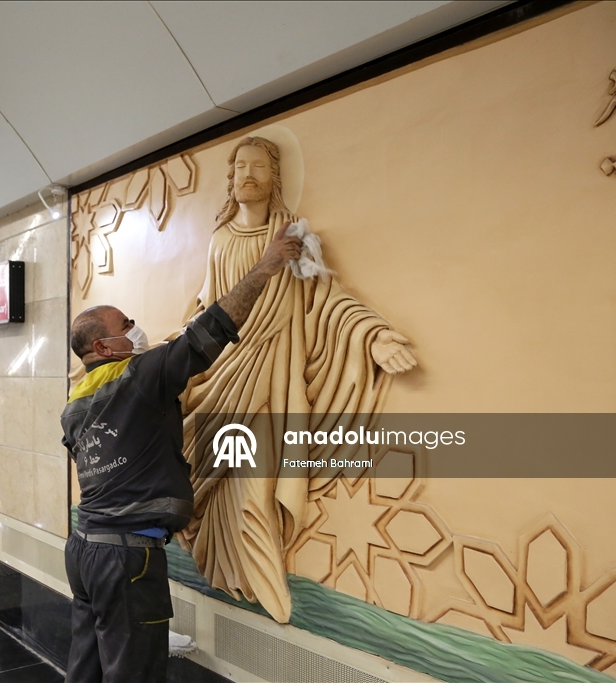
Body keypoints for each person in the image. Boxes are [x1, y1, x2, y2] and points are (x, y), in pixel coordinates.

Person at [177, 135, 417, 622]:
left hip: (270, 381)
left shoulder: (294, 239)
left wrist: (373, 338)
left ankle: (265, 592)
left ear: (275, 178)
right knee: (217, 482)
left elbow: (327, 299)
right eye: (239, 165)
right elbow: (206, 307)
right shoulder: (220, 240)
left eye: (258, 167)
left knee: (252, 485)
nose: (246, 173)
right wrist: (167, 352)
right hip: (222, 375)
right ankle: (227, 577)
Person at [61, 219, 303, 683]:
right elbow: (209, 330)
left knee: (87, 666)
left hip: (85, 549)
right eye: (125, 325)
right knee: (134, 673)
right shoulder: (139, 377)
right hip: (127, 560)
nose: (135, 329)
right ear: (103, 345)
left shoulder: (75, 402)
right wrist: (267, 266)